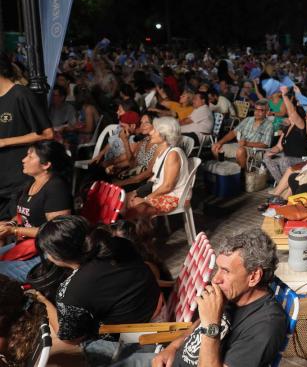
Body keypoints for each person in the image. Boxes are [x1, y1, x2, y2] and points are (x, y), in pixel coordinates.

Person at [117, 228, 287, 367]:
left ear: (254, 276)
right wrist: (173, 347)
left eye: (226, 271)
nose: (216, 279)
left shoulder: (265, 327)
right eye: (218, 269)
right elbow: (199, 326)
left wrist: (212, 325)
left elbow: (208, 324)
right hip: (168, 360)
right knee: (102, 351)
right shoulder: (233, 295)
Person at [30, 216, 160, 364]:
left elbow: (69, 338)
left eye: (47, 253)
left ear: (56, 256)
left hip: (131, 338)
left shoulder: (71, 290)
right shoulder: (119, 244)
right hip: (153, 305)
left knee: (52, 346)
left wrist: (43, 301)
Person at [0, 142, 73, 281]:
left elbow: (56, 231)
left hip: (48, 255)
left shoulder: (56, 188)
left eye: (30, 156)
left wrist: (14, 231)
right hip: (29, 245)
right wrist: (9, 224)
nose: (23, 160)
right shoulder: (32, 183)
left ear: (46, 165)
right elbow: (23, 215)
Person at [0, 53, 54, 220]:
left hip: (17, 180)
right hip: (2, 179)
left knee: (14, 227)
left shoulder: (20, 94)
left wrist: (5, 142)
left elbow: (47, 133)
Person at [125, 117, 190, 219]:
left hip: (174, 197)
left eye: (155, 130)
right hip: (162, 193)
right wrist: (135, 192)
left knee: (134, 206)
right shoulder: (164, 151)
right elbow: (155, 180)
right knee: (126, 199)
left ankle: (138, 228)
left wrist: (146, 199)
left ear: (164, 135)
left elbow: (168, 186)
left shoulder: (173, 154)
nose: (151, 132)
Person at [211, 100, 274, 168]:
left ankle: (242, 173)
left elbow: (265, 144)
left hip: (256, 150)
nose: (257, 112)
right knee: (215, 147)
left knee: (240, 151)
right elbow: (234, 132)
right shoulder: (248, 119)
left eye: (261, 110)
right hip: (240, 146)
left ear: (267, 112)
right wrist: (220, 142)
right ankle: (224, 170)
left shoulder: (269, 125)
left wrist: (247, 143)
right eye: (256, 109)